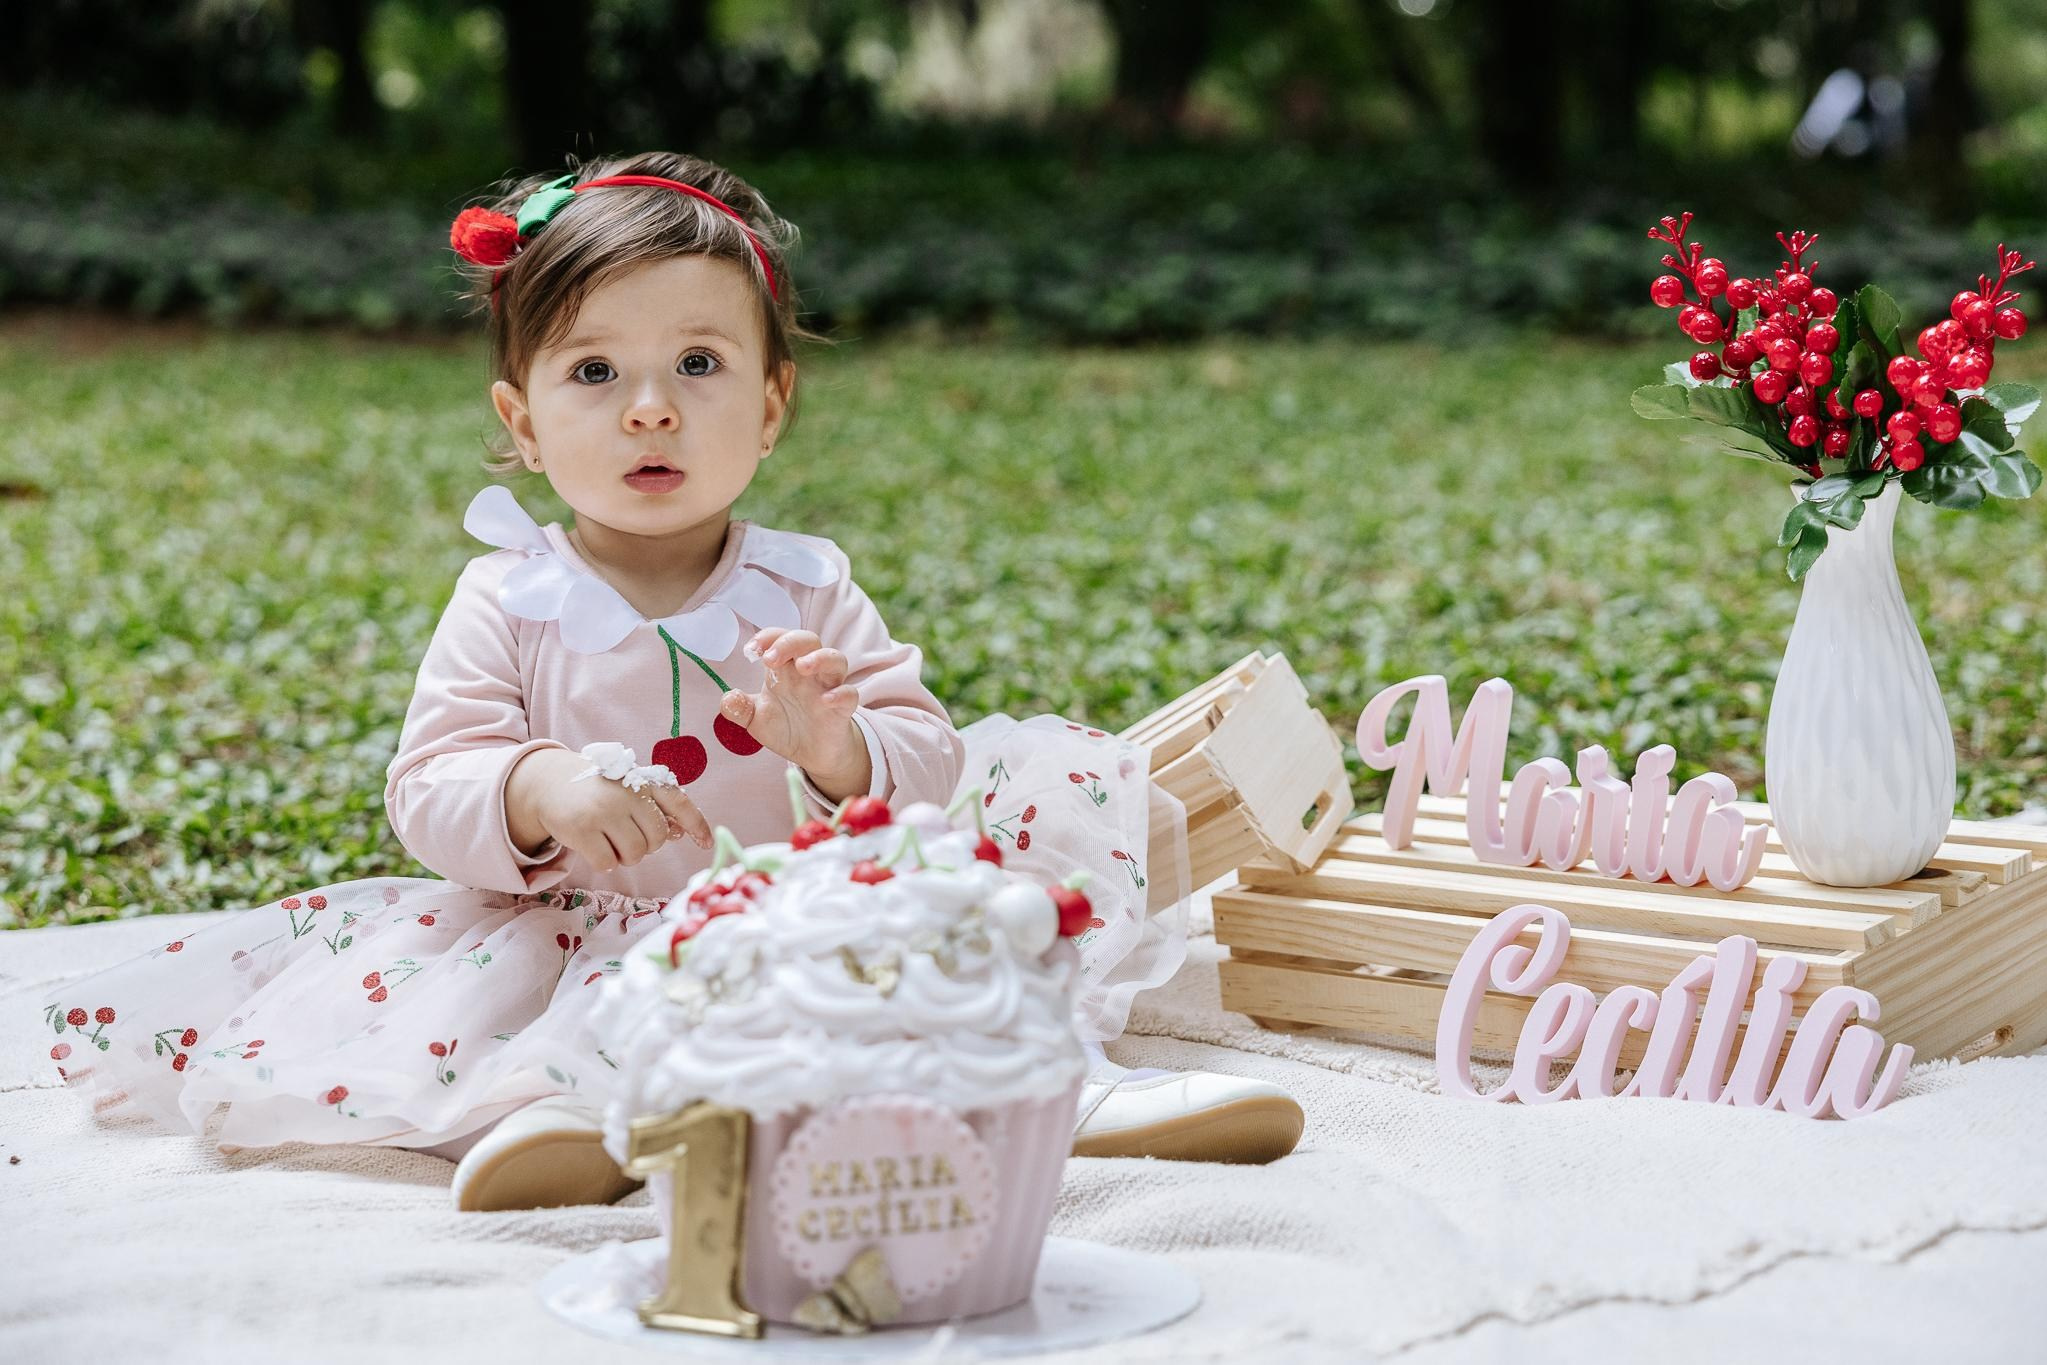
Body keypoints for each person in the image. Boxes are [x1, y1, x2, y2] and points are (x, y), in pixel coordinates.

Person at [36, 152, 1301, 1211]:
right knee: (584, 1025)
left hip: (803, 923)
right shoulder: (510, 597)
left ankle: (1063, 1093)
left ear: (769, 406)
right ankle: (584, 1125)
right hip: (593, 931)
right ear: (523, 423)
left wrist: (838, 750)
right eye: (593, 373)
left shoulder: (805, 586)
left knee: (926, 981)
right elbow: (429, 783)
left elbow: (932, 759)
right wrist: (538, 787)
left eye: (698, 366)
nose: (649, 409)